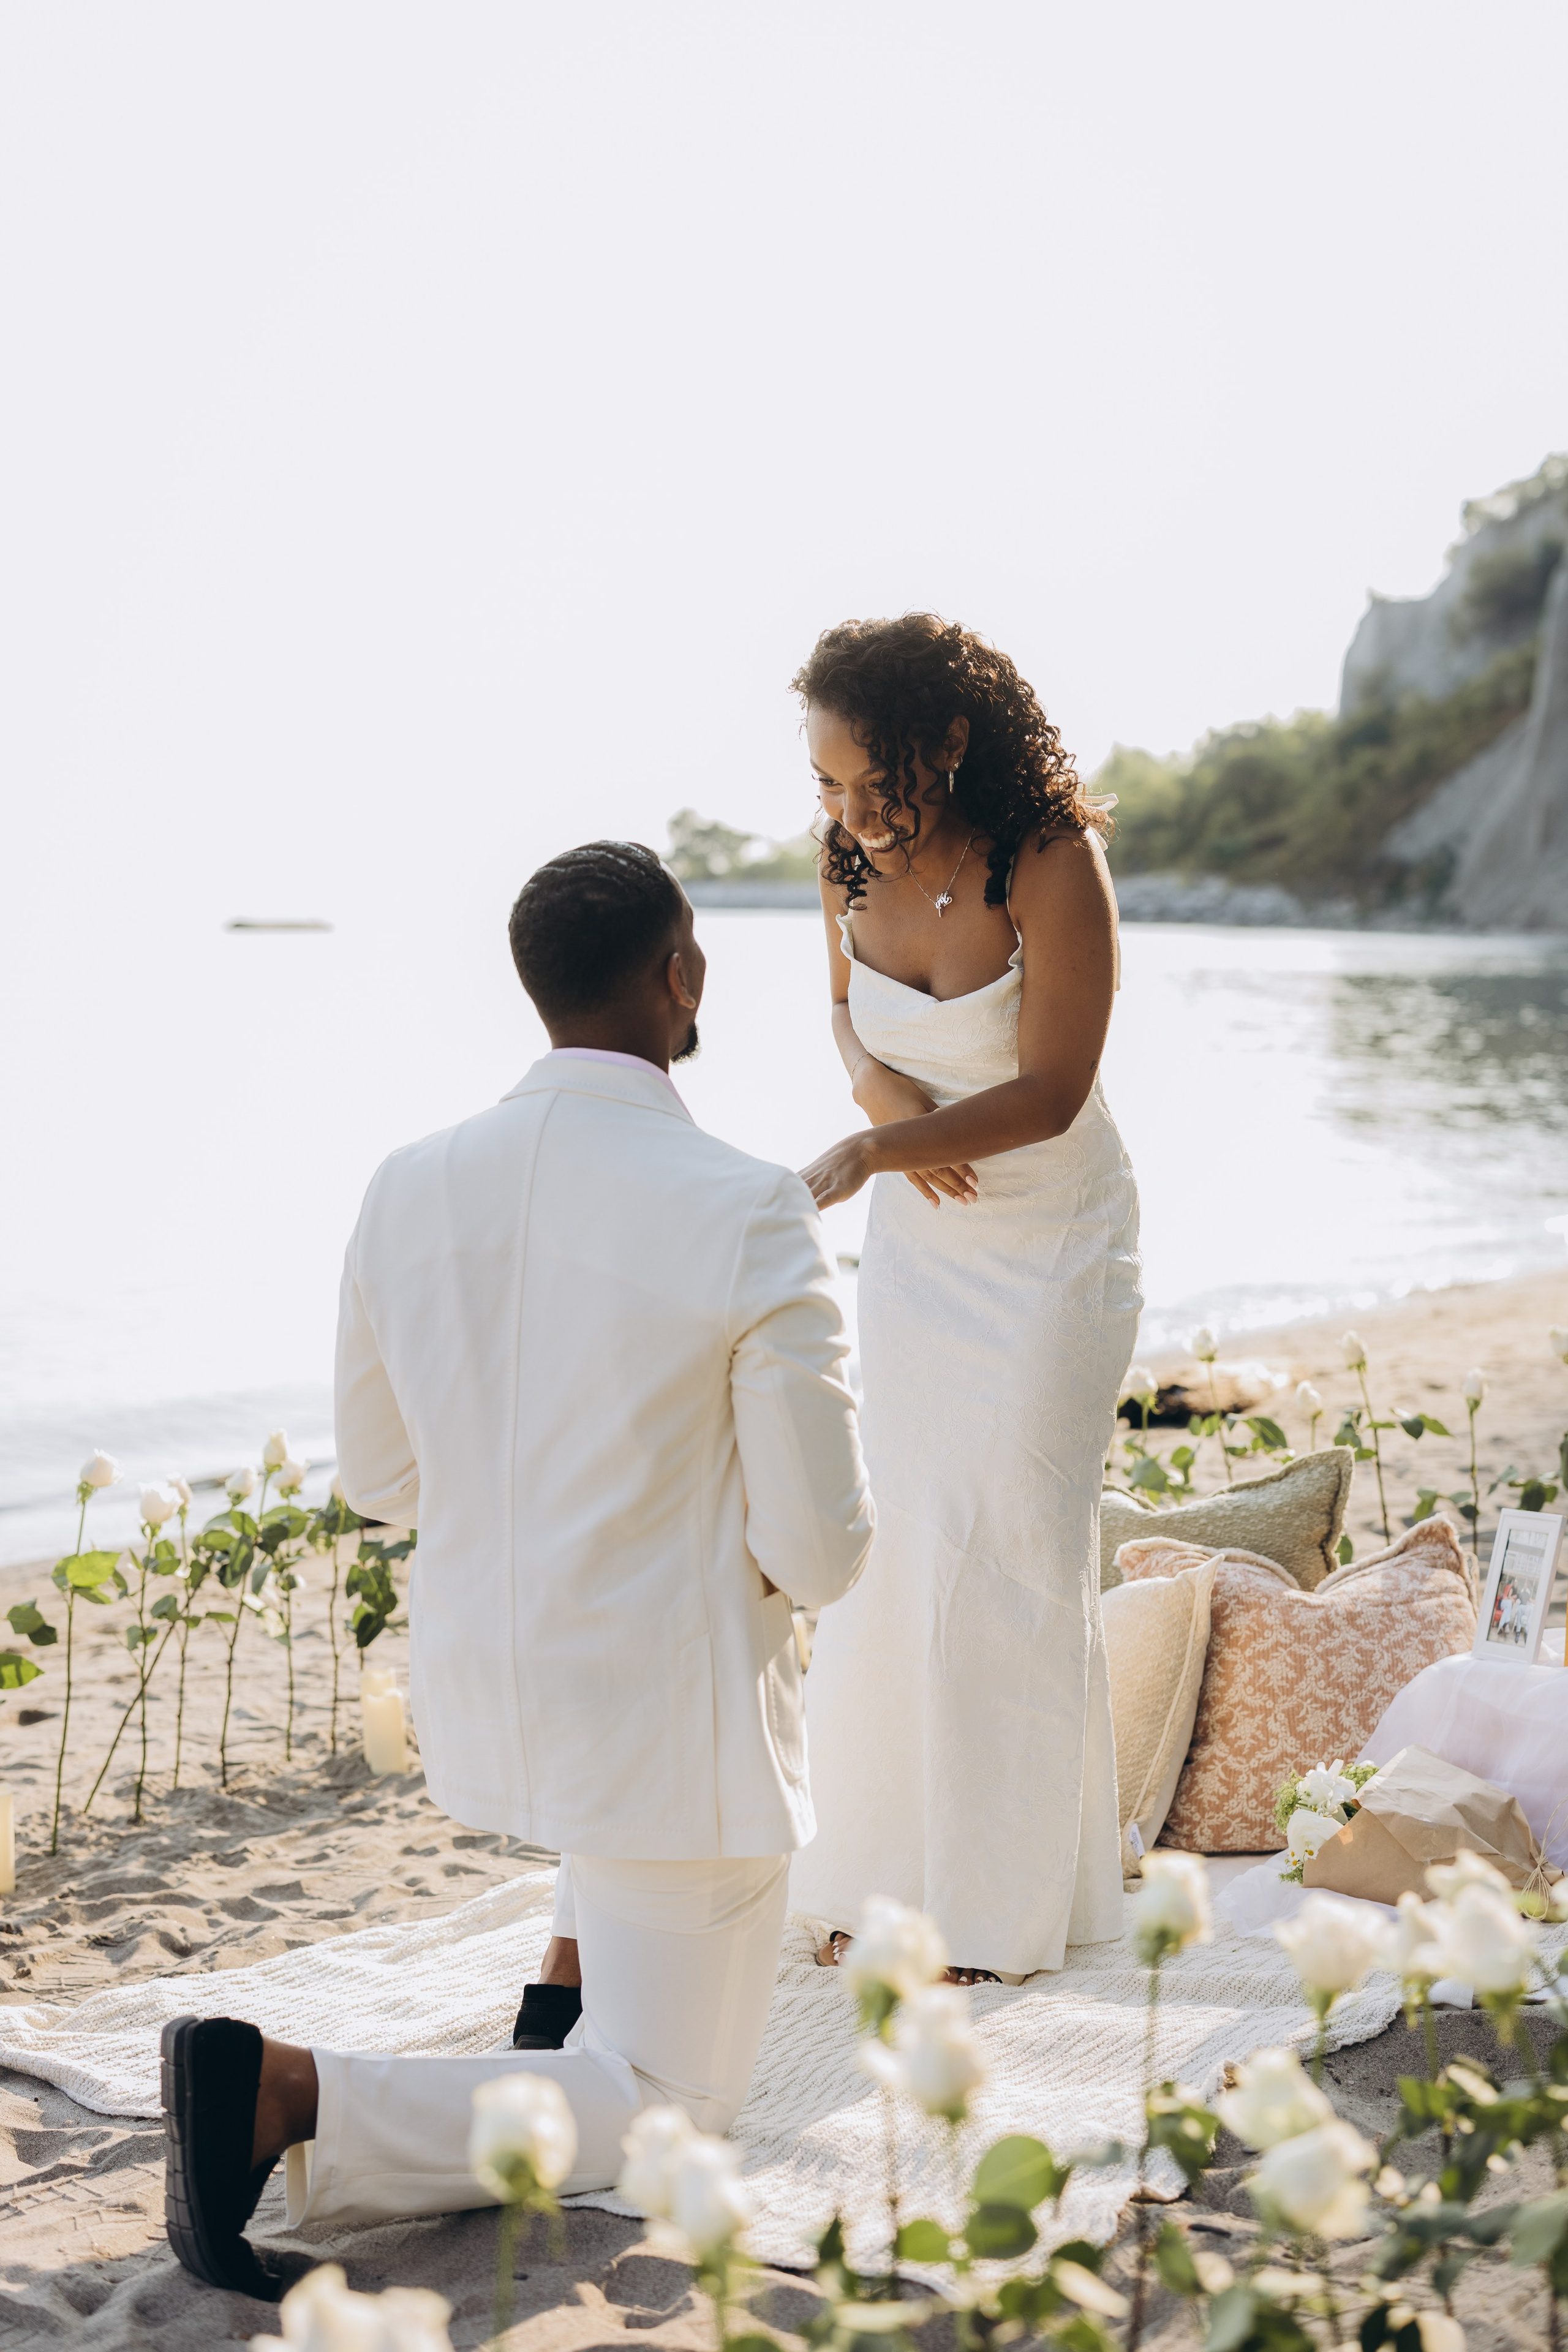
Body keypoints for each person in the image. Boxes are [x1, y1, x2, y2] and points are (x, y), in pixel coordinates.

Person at [161, 841, 873, 2299]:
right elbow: (818, 1548)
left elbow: (380, 1479)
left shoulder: (405, 1183)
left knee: (624, 1883)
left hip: (488, 1701)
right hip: (668, 1736)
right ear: (681, 973)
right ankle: (284, 2090)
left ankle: (564, 1979)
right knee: (671, 2111)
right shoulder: (749, 1205)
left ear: (535, 985)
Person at [789, 613, 1140, 1984]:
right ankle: (882, 1880)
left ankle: (998, 1913)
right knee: (905, 1543)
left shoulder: (1048, 861)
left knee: (1010, 1549)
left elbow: (1050, 1093)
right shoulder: (841, 861)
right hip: (925, 1255)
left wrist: (874, 1150)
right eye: (825, 783)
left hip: (1052, 1245)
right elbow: (841, 1013)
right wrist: (876, 1089)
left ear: (947, 739)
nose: (849, 814)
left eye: (870, 780)